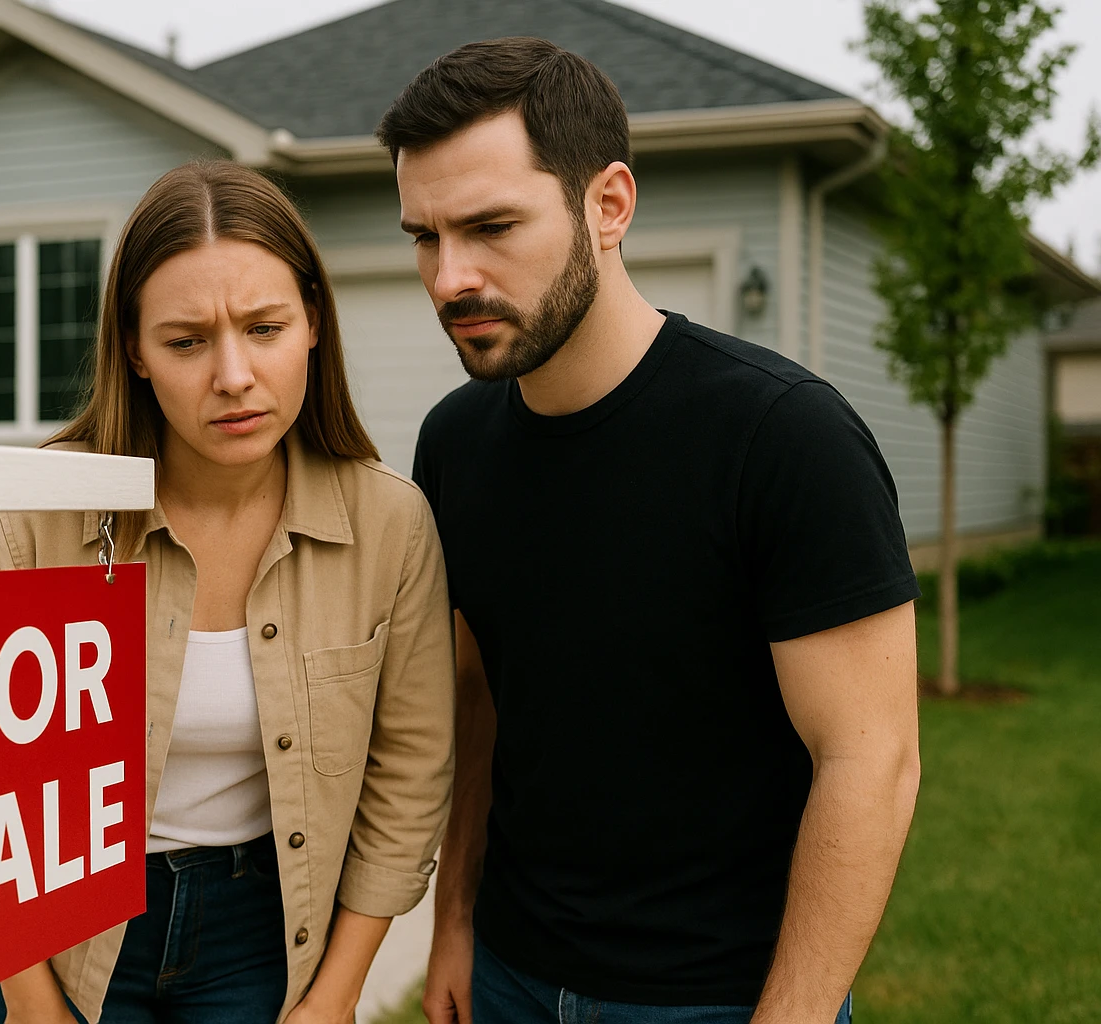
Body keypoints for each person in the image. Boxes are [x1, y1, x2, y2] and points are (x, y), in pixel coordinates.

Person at [376, 38, 922, 1024]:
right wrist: (452, 917)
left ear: (609, 204)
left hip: (721, 997)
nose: (450, 276)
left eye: (492, 225)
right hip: (510, 974)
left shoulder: (783, 437)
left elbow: (871, 758)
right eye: (424, 235)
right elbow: (477, 691)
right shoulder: (455, 443)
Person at [0, 160, 454, 1024]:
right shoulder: (40, 514)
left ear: (313, 326)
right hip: (48, 925)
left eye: (264, 328)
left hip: (258, 932)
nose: (232, 375)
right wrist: (30, 1002)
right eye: (186, 342)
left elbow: (409, 774)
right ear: (136, 352)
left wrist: (336, 995)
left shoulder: (390, 526)